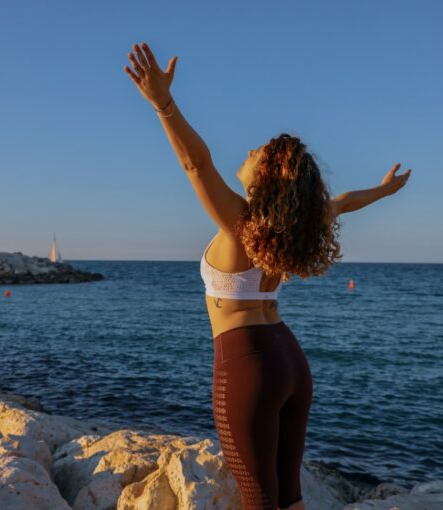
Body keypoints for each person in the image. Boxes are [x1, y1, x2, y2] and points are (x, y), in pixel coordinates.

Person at [123, 41, 411, 510]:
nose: (251, 148)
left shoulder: (239, 223)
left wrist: (163, 103)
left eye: (260, 153)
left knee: (259, 502)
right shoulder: (290, 228)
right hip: (290, 360)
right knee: (289, 499)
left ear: (266, 179)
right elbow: (343, 204)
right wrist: (383, 190)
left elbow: (196, 163)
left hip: (248, 365)